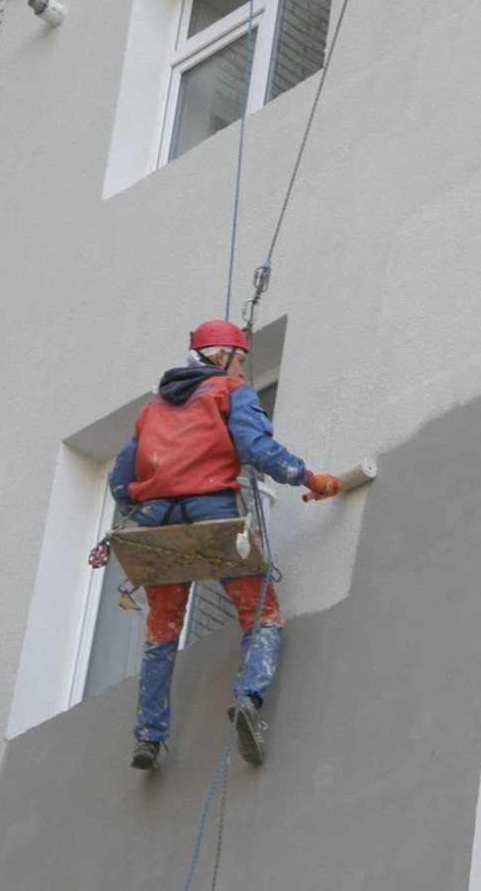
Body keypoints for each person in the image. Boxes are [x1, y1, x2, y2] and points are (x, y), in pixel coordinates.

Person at [108, 319, 341, 771]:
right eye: (240, 360)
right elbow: (257, 449)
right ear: (220, 357)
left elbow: (121, 478)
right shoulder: (229, 393)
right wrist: (310, 478)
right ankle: (249, 700)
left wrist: (141, 510)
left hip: (156, 524)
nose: (241, 370)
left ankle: (149, 738)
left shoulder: (152, 410)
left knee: (162, 633)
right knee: (260, 612)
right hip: (209, 512)